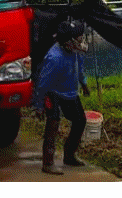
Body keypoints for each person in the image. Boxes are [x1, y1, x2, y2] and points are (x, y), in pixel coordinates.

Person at [34, 19, 91, 174]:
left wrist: (84, 84)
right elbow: (43, 84)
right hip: (53, 93)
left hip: (71, 91)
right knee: (53, 123)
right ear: (69, 42)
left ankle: (70, 154)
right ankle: (48, 162)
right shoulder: (54, 58)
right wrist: (39, 106)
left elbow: (79, 69)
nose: (82, 41)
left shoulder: (75, 52)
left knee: (80, 121)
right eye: (79, 38)